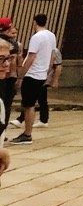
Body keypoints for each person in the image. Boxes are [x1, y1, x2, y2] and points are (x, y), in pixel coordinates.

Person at [11, 13, 56, 145]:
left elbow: (31, 57)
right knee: (31, 103)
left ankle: (27, 134)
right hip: (42, 73)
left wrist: (21, 75)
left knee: (28, 105)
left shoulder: (36, 37)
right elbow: (52, 55)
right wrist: (47, 71)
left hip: (33, 74)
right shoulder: (51, 35)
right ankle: (27, 132)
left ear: (35, 22)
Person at [0, 19, 19, 130]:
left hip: (8, 78)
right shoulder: (13, 43)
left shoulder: (12, 43)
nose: (6, 63)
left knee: (4, 105)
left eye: (8, 59)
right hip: (9, 78)